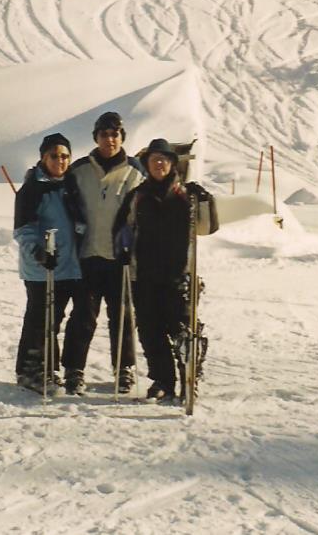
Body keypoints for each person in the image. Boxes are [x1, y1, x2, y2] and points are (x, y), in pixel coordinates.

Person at [113, 138, 212, 403]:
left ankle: (189, 378)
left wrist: (205, 201)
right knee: (150, 332)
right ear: (146, 164)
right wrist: (122, 247)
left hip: (179, 275)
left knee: (183, 331)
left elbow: (208, 226)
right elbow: (122, 228)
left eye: (164, 159)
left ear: (172, 164)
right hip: (144, 275)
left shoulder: (186, 195)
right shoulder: (138, 196)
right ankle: (163, 381)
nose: (159, 164)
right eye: (154, 159)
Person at [67, 112, 145, 396]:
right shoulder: (79, 170)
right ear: (95, 137)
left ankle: (124, 368)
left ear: (122, 137)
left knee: (122, 315)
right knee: (83, 315)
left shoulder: (136, 171)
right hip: (87, 254)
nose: (110, 140)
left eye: (115, 134)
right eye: (104, 134)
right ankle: (74, 369)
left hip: (119, 257)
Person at [13, 133, 87, 395]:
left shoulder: (70, 185)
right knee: (39, 319)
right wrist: (39, 252)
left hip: (67, 265)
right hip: (41, 268)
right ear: (43, 158)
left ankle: (47, 368)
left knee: (53, 320)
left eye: (65, 156)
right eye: (54, 156)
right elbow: (23, 230)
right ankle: (29, 370)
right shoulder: (33, 189)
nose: (60, 161)